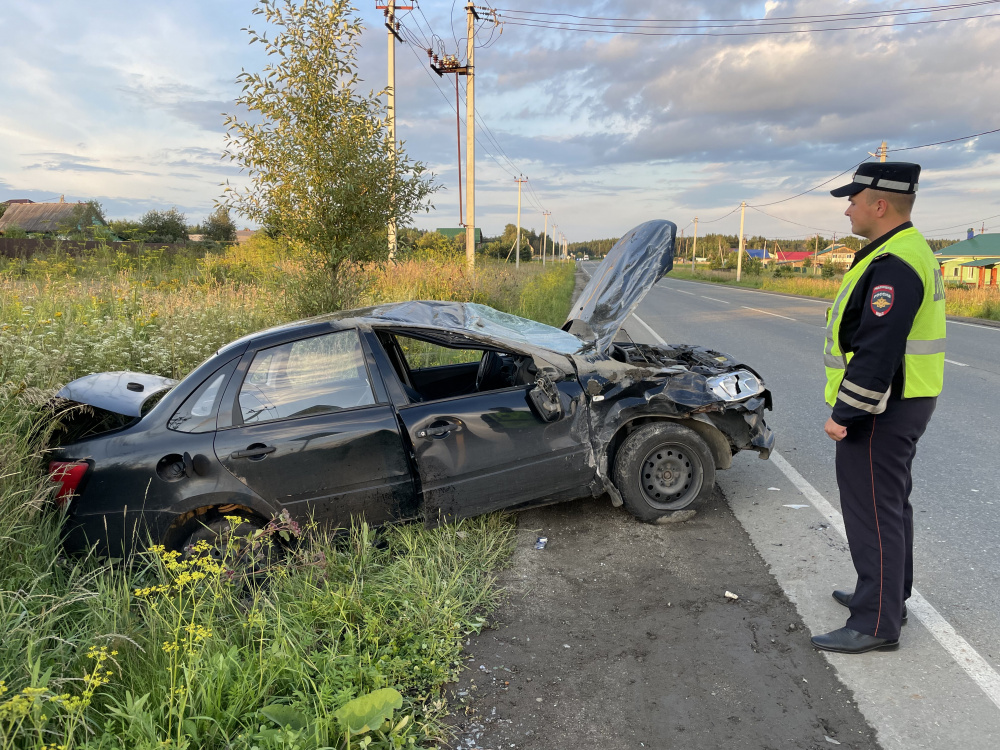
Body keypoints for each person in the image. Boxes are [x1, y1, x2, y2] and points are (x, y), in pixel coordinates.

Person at [811, 161, 946, 655]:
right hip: (906, 401)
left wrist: (844, 414)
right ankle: (888, 597)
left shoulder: (894, 264)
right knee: (890, 504)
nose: (847, 208)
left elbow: (877, 353)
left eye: (853, 199)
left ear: (880, 204)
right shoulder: (902, 251)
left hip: (882, 408)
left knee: (872, 511)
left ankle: (875, 623)